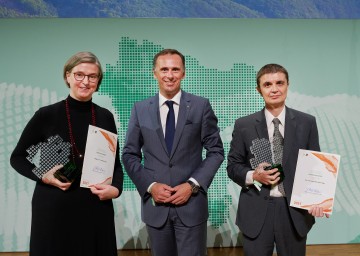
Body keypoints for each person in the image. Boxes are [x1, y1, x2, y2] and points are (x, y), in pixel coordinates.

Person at [10, 51, 123, 256]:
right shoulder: (47, 115)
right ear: (68, 76)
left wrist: (115, 189)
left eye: (92, 76)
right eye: (79, 74)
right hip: (54, 207)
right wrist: (43, 176)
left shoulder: (105, 117)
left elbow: (115, 165)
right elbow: (18, 158)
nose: (85, 81)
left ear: (98, 82)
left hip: (95, 207)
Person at [122, 48, 224, 256]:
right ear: (155, 73)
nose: (170, 75)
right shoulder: (140, 109)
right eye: (164, 69)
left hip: (191, 205)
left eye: (175, 69)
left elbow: (216, 151)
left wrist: (192, 185)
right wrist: (150, 186)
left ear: (183, 73)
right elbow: (129, 154)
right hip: (156, 207)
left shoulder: (200, 106)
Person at [227, 64, 329, 256]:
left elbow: (315, 165)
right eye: (267, 84)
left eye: (279, 83)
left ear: (287, 85)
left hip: (294, 212)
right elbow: (233, 166)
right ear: (259, 90)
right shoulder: (244, 125)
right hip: (256, 210)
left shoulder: (307, 122)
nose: (274, 89)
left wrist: (317, 199)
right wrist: (253, 176)